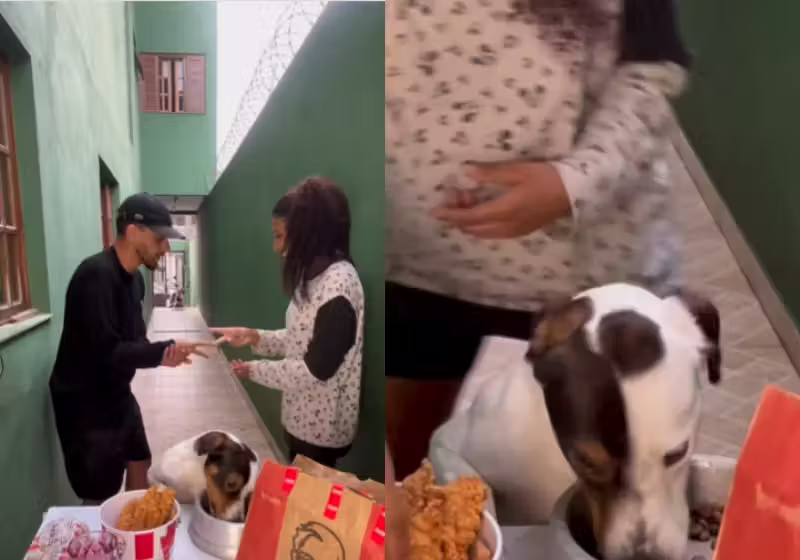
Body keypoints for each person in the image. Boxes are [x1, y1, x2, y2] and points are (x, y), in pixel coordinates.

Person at [385, 0, 691, 478]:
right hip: (413, 260)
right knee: (391, 492)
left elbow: (652, 68)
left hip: (584, 270)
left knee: (607, 490)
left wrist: (573, 183)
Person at [50, 192, 211, 504]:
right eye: (161, 239)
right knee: (100, 492)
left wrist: (167, 353)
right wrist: (161, 351)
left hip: (116, 394)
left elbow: (136, 342)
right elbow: (106, 354)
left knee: (140, 459)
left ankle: (134, 531)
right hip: (86, 407)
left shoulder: (135, 280)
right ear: (134, 232)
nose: (166, 248)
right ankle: (107, 537)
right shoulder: (94, 277)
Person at [212, 178, 365, 468]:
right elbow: (299, 336)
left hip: (321, 434)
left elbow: (313, 370)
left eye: (280, 236)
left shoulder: (340, 287)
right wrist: (254, 337)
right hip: (299, 420)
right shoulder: (310, 278)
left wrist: (254, 371)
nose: (276, 247)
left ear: (308, 235)